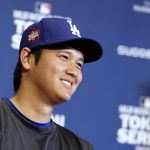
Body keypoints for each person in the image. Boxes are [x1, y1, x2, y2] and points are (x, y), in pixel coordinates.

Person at [0, 16, 103, 150]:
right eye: (64, 57)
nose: (74, 72)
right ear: (27, 59)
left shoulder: (80, 147)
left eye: (79, 65)